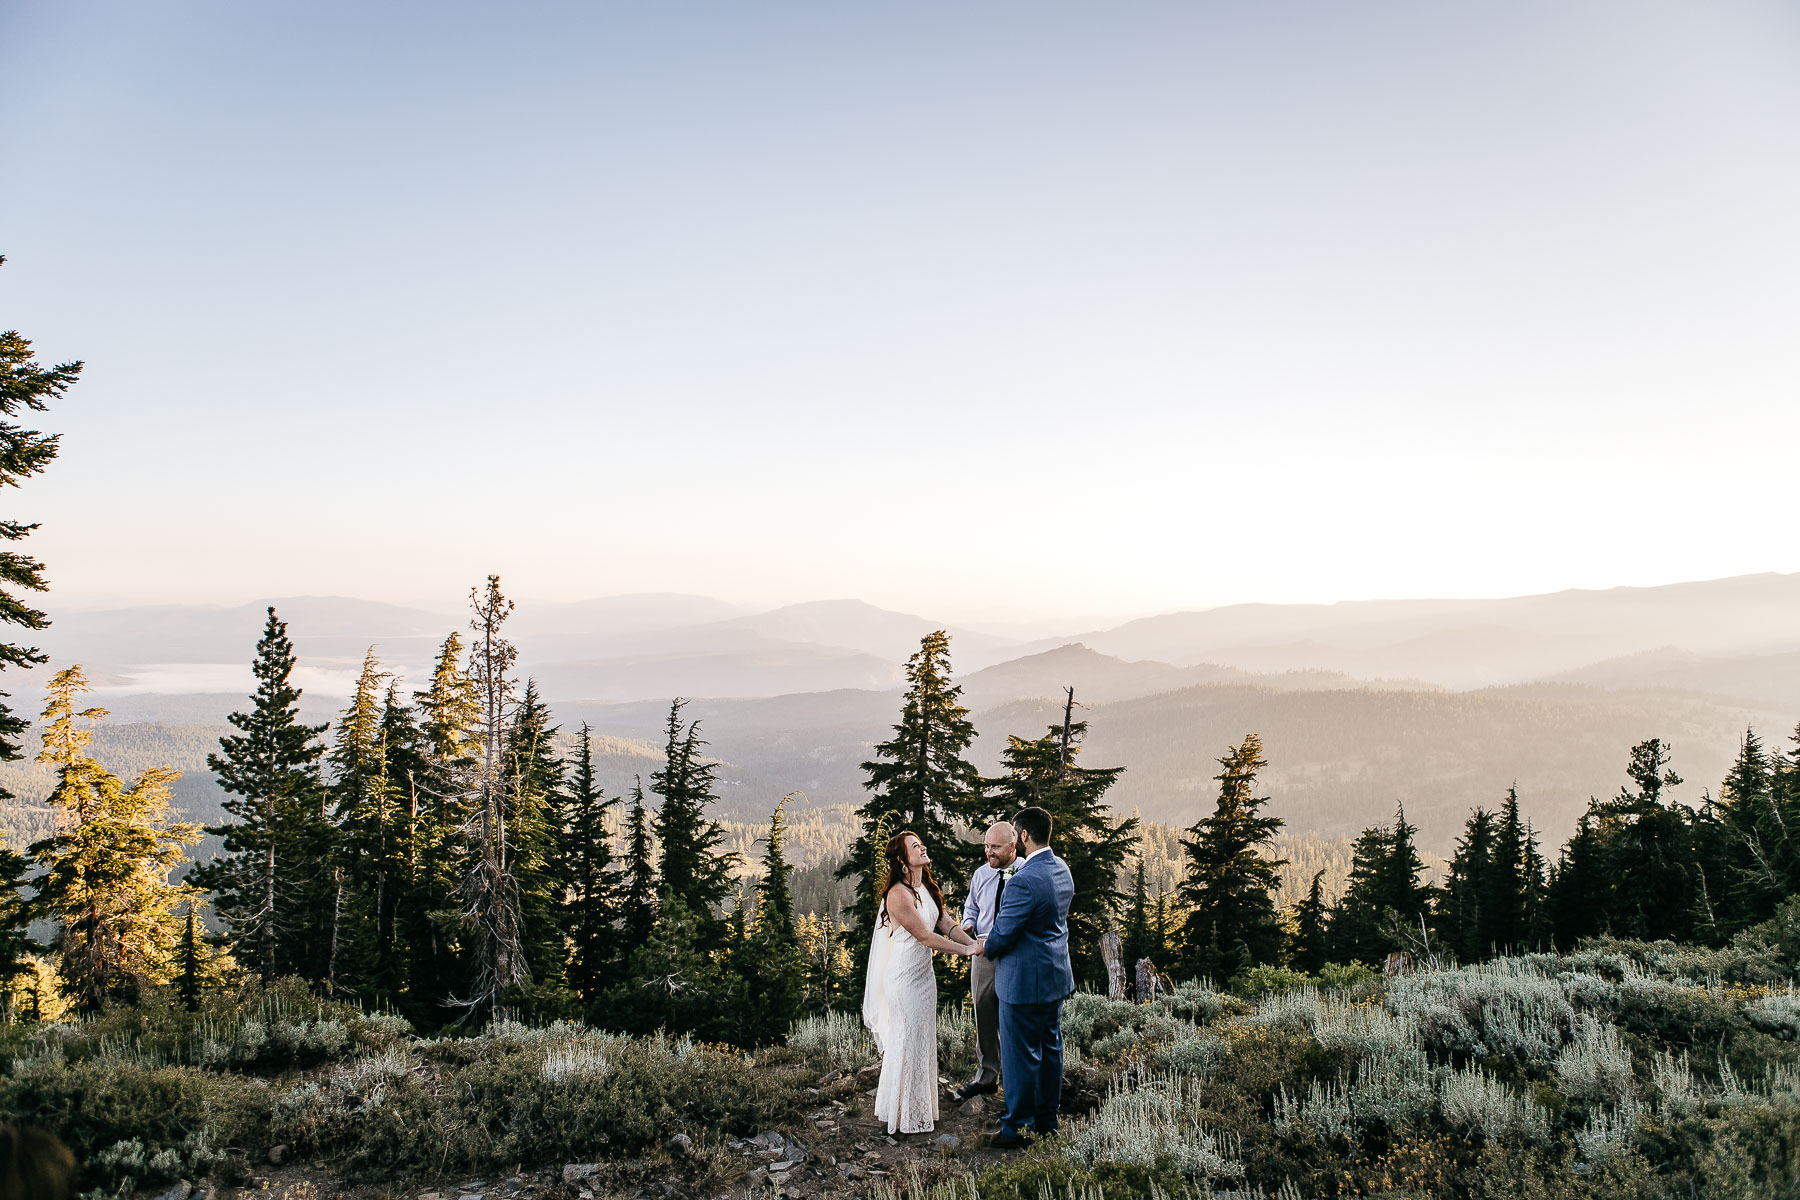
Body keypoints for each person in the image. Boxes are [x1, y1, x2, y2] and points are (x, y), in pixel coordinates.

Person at [861, 830, 978, 1135]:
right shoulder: (897, 895)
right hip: (903, 979)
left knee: (921, 1041)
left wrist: (975, 943)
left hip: (924, 979)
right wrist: (966, 951)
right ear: (902, 860)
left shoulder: (925, 886)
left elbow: (946, 924)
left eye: (921, 843)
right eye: (915, 846)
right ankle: (901, 1116)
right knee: (907, 1040)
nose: (923, 847)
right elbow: (925, 936)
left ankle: (917, 1109)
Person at [975, 805, 1075, 1148]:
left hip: (1022, 983)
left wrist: (984, 943)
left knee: (1019, 1059)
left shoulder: (1023, 881)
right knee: (1050, 1050)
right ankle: (1047, 1121)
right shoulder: (1061, 869)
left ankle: (1016, 1129)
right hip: (1054, 977)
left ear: (1024, 836)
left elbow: (1002, 936)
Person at [953, 821, 1017, 1101]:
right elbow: (972, 906)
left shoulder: (1024, 872)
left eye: (995, 848)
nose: (989, 853)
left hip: (1015, 952)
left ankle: (1016, 1080)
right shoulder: (980, 875)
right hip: (983, 952)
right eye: (986, 847)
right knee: (983, 1011)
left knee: (1013, 1015)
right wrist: (968, 924)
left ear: (1013, 846)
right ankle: (987, 1076)